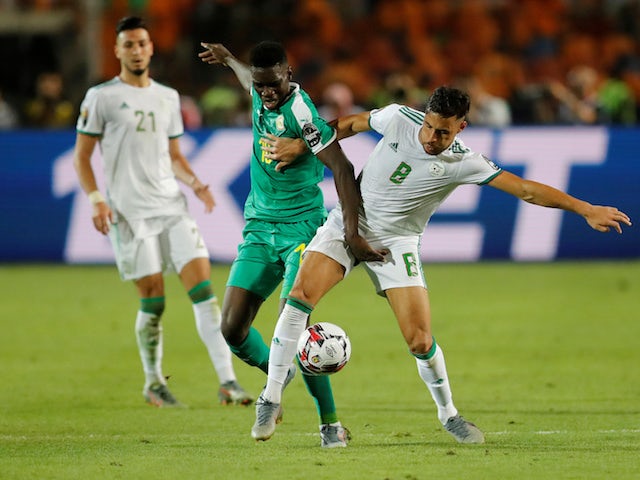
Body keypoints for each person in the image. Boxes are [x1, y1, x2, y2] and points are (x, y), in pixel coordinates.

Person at [256, 86, 632, 444]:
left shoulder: (463, 161)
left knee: (419, 339)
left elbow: (527, 190)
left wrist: (586, 209)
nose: (433, 138)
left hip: (397, 242)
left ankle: (449, 415)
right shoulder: (398, 118)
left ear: (461, 127)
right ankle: (270, 399)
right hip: (348, 223)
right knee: (300, 295)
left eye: (444, 132)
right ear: (424, 117)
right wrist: (305, 146)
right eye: (431, 127)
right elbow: (349, 124)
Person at [198, 41, 384, 447]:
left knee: (294, 325)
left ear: (289, 73)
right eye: (260, 85)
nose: (265, 92)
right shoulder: (259, 89)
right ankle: (277, 376)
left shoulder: (302, 113)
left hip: (301, 230)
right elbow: (248, 77)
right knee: (231, 327)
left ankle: (329, 425)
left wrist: (351, 232)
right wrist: (230, 58)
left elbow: (342, 166)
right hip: (259, 228)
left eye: (272, 84)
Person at [73, 16, 251, 409]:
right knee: (154, 302)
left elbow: (173, 157)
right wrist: (95, 199)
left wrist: (196, 183)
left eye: (142, 43)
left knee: (205, 295)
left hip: (172, 207)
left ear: (151, 48)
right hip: (129, 213)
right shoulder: (100, 97)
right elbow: (82, 157)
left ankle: (228, 382)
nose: (137, 50)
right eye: (129, 44)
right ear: (117, 50)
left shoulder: (168, 98)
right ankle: (154, 382)